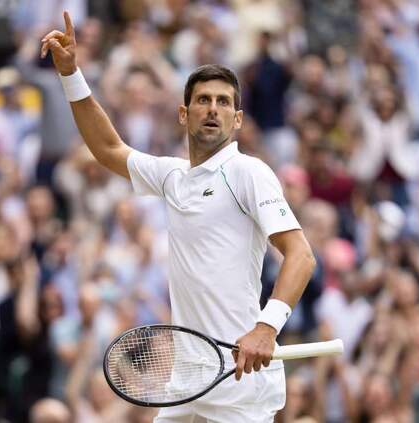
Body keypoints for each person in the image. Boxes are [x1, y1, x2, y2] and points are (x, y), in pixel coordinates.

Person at [40, 12, 316, 422]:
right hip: (187, 381)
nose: (213, 109)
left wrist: (266, 327)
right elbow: (108, 149)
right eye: (203, 100)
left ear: (238, 119)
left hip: (240, 385)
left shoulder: (249, 172)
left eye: (224, 102)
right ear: (184, 114)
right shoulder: (172, 177)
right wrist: (70, 73)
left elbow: (301, 255)